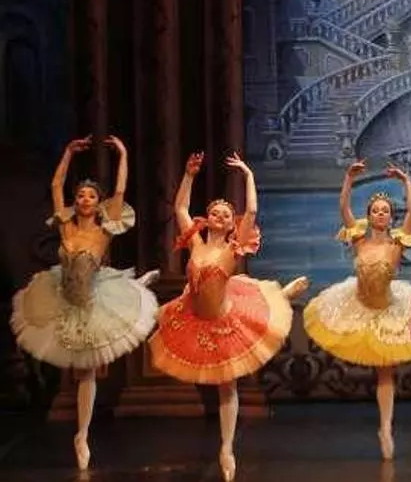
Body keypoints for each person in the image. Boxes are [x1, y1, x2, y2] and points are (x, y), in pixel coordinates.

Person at [148, 151, 309, 481]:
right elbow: (180, 209)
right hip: (194, 317)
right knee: (206, 382)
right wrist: (189, 175)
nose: (220, 216)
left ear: (231, 223)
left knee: (227, 385)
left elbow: (252, 211)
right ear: (207, 219)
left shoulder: (232, 249)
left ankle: (226, 447)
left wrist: (248, 174)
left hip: (224, 320)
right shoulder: (196, 245)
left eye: (225, 214)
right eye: (215, 213)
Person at [11, 135, 159, 470]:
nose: (85, 200)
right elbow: (55, 185)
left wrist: (123, 153)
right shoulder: (65, 227)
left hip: (93, 302)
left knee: (88, 371)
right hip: (62, 296)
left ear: (98, 202)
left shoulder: (104, 229)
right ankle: (136, 283)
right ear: (75, 202)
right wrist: (67, 153)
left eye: (92, 195)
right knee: (77, 372)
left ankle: (82, 435)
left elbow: (120, 190)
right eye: (80, 195)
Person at [303, 159, 411, 460]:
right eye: (376, 211)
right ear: (369, 216)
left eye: (385, 211)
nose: (381, 214)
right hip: (358, 305)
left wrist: (405, 181)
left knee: (386, 372)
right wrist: (348, 178)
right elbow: (344, 208)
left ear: (390, 217)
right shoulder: (359, 240)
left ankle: (386, 428)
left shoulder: (397, 244)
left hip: (388, 310)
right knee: (373, 368)